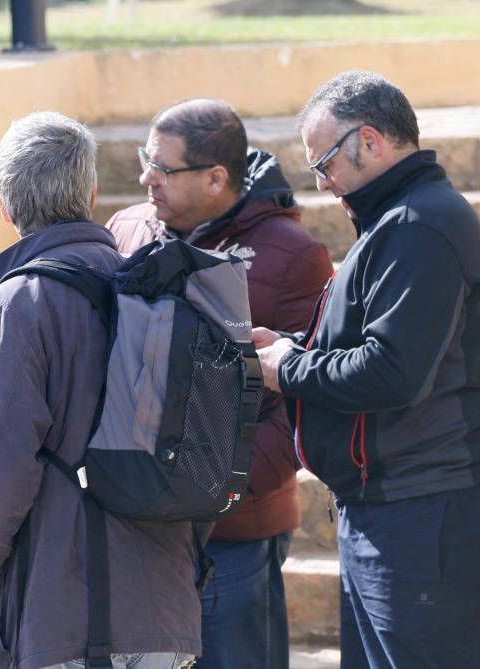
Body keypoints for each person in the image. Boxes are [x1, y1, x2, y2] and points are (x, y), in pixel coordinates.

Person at [255, 71, 480, 669]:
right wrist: (293, 344)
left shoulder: (417, 225)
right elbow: (374, 344)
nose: (322, 185)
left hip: (430, 516)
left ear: (370, 141)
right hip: (398, 509)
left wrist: (289, 366)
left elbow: (392, 373)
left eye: (324, 164)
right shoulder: (398, 219)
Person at [0, 111, 201, 669]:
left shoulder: (18, 304)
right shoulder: (151, 290)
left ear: (4, 205)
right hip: (167, 612)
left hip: (64, 616)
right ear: (89, 191)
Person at [105, 98, 332, 669]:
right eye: (144, 159)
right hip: (138, 521)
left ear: (215, 179)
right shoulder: (128, 228)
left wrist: (222, 486)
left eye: (163, 167)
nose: (144, 177)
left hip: (233, 530)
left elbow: (307, 396)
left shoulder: (292, 254)